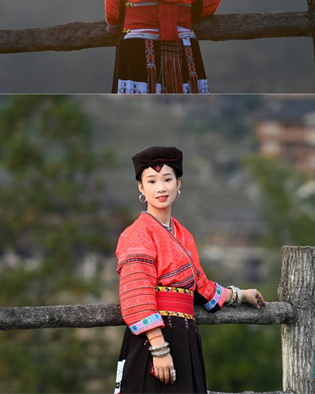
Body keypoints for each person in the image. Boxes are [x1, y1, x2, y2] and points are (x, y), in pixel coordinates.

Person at [114, 146, 266, 394]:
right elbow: (136, 295)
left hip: (185, 340)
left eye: (167, 179)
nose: (161, 188)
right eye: (151, 181)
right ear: (141, 188)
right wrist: (159, 348)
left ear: (178, 183)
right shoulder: (136, 235)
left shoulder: (184, 236)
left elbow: (202, 288)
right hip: (152, 341)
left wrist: (239, 294)